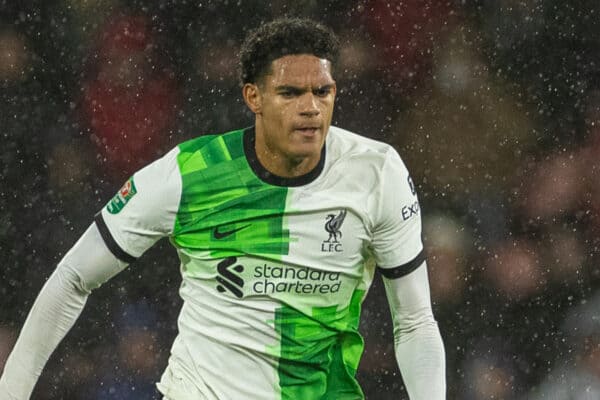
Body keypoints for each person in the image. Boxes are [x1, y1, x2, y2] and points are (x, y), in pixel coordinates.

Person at [0, 18, 445, 399]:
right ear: (253, 97)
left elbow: (414, 321)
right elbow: (73, 278)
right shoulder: (188, 173)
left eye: (322, 92)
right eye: (290, 93)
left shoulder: (377, 173)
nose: (310, 108)